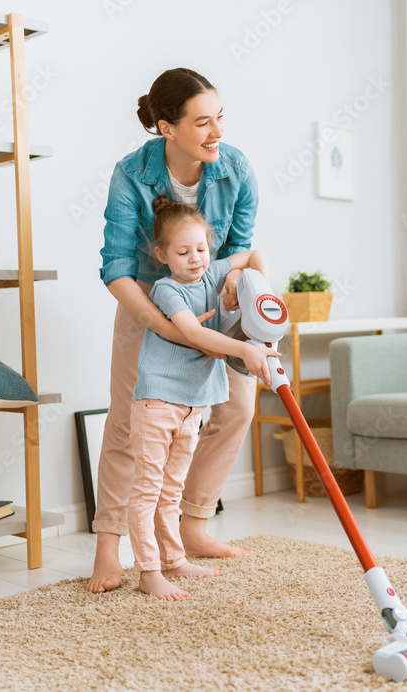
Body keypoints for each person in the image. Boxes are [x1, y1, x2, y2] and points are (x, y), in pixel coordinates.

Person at [88, 68, 260, 594]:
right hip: (146, 301)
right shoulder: (131, 174)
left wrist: (231, 277)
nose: (217, 132)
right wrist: (166, 325)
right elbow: (115, 265)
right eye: (203, 122)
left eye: (220, 118)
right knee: (127, 424)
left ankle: (192, 527)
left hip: (213, 300)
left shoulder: (235, 168)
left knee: (236, 407)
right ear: (167, 128)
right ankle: (108, 548)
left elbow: (242, 242)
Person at [128, 197, 277, 600]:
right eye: (183, 252)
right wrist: (243, 350)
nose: (195, 259)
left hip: (194, 404)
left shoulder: (212, 275)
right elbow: (193, 334)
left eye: (201, 250)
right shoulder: (166, 289)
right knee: (147, 491)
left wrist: (241, 279)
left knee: (172, 489)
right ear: (162, 255)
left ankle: (174, 561)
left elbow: (257, 255)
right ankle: (148, 570)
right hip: (158, 402)